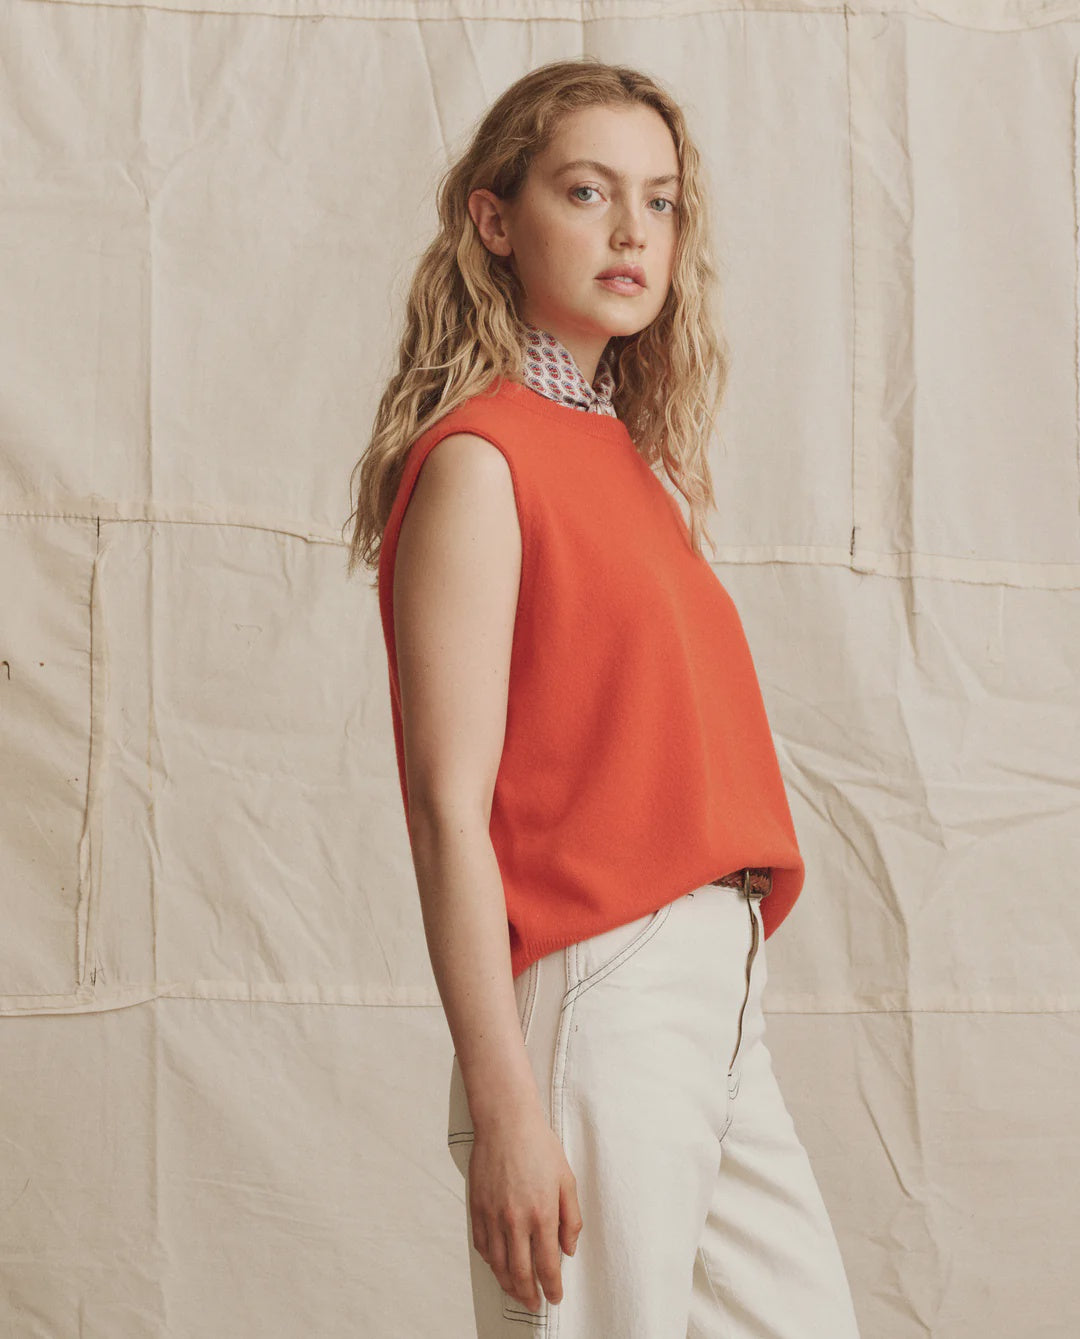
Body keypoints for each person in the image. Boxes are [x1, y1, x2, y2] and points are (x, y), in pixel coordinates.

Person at [344, 57, 861, 1339]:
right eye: (588, 191)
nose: (635, 232)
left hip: (712, 988)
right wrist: (506, 1103)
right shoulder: (481, 458)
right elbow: (445, 808)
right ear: (495, 218)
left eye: (662, 201)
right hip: (601, 988)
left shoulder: (629, 462)